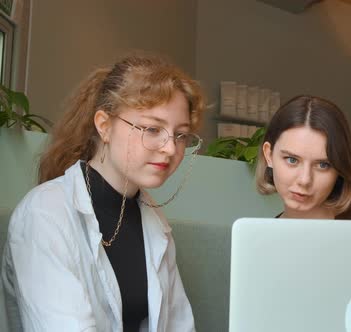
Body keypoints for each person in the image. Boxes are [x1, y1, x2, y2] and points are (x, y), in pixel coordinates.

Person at [1, 55, 203, 331]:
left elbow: (179, 326)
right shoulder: (44, 214)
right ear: (105, 126)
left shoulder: (152, 219)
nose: (170, 148)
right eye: (153, 129)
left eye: (180, 135)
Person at [255, 95, 351, 221]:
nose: (305, 180)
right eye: (292, 160)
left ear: (340, 170)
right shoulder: (259, 241)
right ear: (269, 155)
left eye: (322, 165)